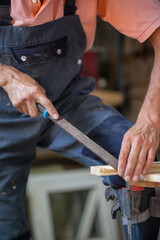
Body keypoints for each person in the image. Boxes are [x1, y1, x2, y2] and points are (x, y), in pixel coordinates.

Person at [0, 0, 160, 239]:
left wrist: (150, 120)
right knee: (7, 227)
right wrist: (6, 76)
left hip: (65, 104)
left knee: (138, 165)